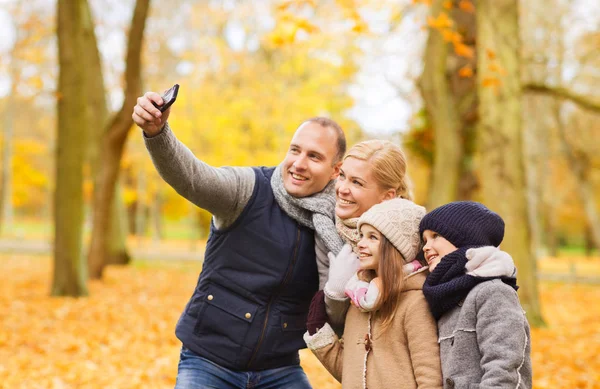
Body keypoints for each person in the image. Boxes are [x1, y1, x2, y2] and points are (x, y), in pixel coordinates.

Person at [132, 91, 349, 389]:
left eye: (314, 156)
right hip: (208, 361)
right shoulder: (248, 189)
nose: (299, 163)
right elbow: (192, 177)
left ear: (336, 171)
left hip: (279, 368)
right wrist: (157, 133)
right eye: (294, 150)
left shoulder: (339, 223)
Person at [304, 198, 443, 389]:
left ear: (395, 247)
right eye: (361, 235)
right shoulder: (359, 302)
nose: (360, 243)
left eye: (372, 237)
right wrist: (321, 338)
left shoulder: (415, 302)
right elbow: (351, 373)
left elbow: (430, 380)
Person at [420, 201, 532, 388]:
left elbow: (503, 367)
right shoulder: (446, 297)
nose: (426, 247)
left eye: (435, 236)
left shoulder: (493, 292)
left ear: (464, 238)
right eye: (424, 240)